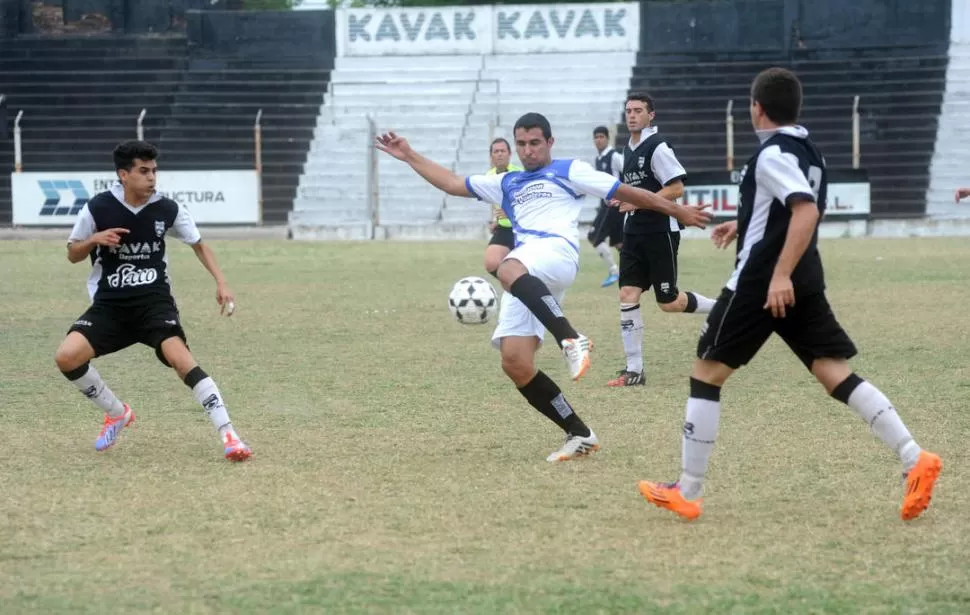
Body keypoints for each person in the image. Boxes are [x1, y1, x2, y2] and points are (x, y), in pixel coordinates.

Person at [638, 68, 941, 521]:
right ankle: (915, 457)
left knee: (706, 373)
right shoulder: (808, 148)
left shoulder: (772, 153)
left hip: (762, 282)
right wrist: (744, 223)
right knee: (832, 371)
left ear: (756, 107)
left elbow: (805, 210)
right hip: (804, 276)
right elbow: (789, 207)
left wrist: (777, 275)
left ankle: (688, 489)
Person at [376, 112, 711, 462]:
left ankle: (570, 337)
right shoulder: (507, 181)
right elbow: (451, 183)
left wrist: (677, 211)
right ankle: (579, 433)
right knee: (515, 362)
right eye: (521, 143)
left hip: (555, 252)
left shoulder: (571, 170)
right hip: (528, 271)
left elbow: (630, 193)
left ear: (550, 142)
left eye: (535, 143)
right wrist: (409, 155)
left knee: (505, 266)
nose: (528, 150)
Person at [53, 140, 253, 462]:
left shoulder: (167, 209)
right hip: (110, 306)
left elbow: (199, 245)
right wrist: (93, 240)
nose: (151, 177)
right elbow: (72, 254)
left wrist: (222, 282)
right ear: (123, 174)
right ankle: (117, 413)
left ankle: (230, 435)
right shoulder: (98, 208)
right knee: (66, 357)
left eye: (154, 171)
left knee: (181, 359)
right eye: (143, 171)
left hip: (153, 304)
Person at [608, 93, 716, 388]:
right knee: (627, 295)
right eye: (628, 110)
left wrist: (640, 203)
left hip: (660, 232)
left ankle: (721, 309)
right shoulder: (628, 149)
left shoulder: (657, 147)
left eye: (638, 110)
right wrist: (619, 199)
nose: (632, 115)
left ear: (651, 115)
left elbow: (676, 188)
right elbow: (633, 191)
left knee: (668, 302)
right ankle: (634, 370)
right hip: (633, 234)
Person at [587, 126, 625, 287]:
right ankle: (637, 269)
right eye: (596, 137)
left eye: (601, 136)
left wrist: (622, 197)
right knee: (619, 242)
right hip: (606, 205)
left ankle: (614, 271)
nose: (598, 140)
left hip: (614, 206)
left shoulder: (615, 156)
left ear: (608, 138)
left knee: (594, 236)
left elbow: (627, 174)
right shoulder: (599, 159)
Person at [483, 137, 523, 277]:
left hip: (521, 228)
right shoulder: (488, 177)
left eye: (503, 151)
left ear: (509, 154)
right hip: (503, 229)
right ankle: (514, 286)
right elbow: (496, 202)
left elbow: (527, 203)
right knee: (491, 263)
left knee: (526, 265)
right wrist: (495, 220)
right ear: (491, 156)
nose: (499, 154)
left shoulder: (519, 175)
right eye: (496, 151)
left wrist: (511, 213)